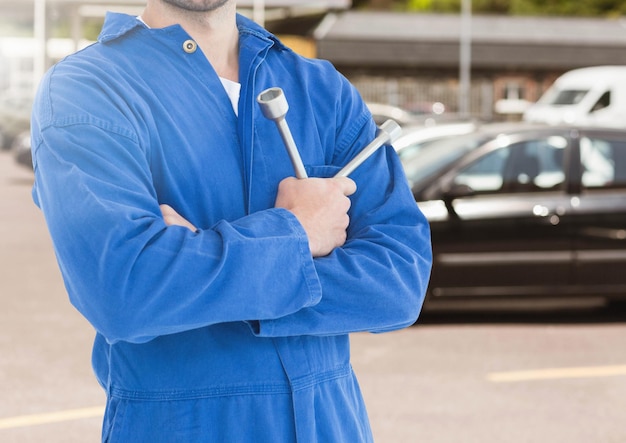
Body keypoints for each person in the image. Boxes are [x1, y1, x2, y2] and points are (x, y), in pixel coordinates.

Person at [30, 0, 432, 441]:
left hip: (331, 427)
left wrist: (196, 265)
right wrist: (298, 233)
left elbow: (399, 282)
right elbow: (125, 288)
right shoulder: (87, 91)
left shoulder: (323, 91)